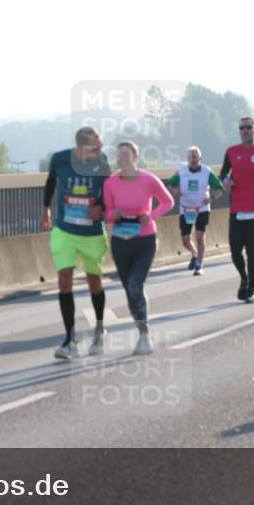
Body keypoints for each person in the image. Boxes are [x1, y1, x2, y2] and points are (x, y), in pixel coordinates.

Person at [41, 127, 110, 359]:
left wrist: (102, 207)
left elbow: (109, 191)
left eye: (100, 147)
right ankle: (69, 339)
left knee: (94, 282)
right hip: (64, 230)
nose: (99, 151)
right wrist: (46, 209)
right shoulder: (60, 159)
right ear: (80, 147)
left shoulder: (102, 162)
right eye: (94, 148)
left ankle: (99, 329)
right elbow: (51, 181)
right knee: (64, 282)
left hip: (92, 233)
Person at [103, 142, 174, 354]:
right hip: (120, 240)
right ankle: (141, 328)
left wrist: (150, 216)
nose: (121, 159)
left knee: (136, 285)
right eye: (119, 155)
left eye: (126, 155)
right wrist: (113, 214)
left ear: (135, 157)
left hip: (145, 240)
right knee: (129, 290)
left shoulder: (149, 180)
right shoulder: (110, 183)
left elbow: (168, 202)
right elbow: (106, 213)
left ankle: (144, 336)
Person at [219, 117, 254, 303]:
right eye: (242, 128)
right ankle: (244, 278)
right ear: (239, 131)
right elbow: (223, 174)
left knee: (251, 251)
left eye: (249, 127)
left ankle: (252, 290)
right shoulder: (232, 152)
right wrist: (226, 180)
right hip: (238, 208)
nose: (245, 130)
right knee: (235, 251)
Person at [164, 146, 223, 276]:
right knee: (185, 240)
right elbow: (169, 185)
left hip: (202, 208)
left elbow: (219, 189)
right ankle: (195, 253)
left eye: (195, 156)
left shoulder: (207, 171)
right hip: (186, 209)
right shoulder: (181, 171)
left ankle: (199, 265)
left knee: (200, 237)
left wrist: (211, 198)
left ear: (200, 158)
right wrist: (175, 191)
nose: (192, 159)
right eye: (190, 157)